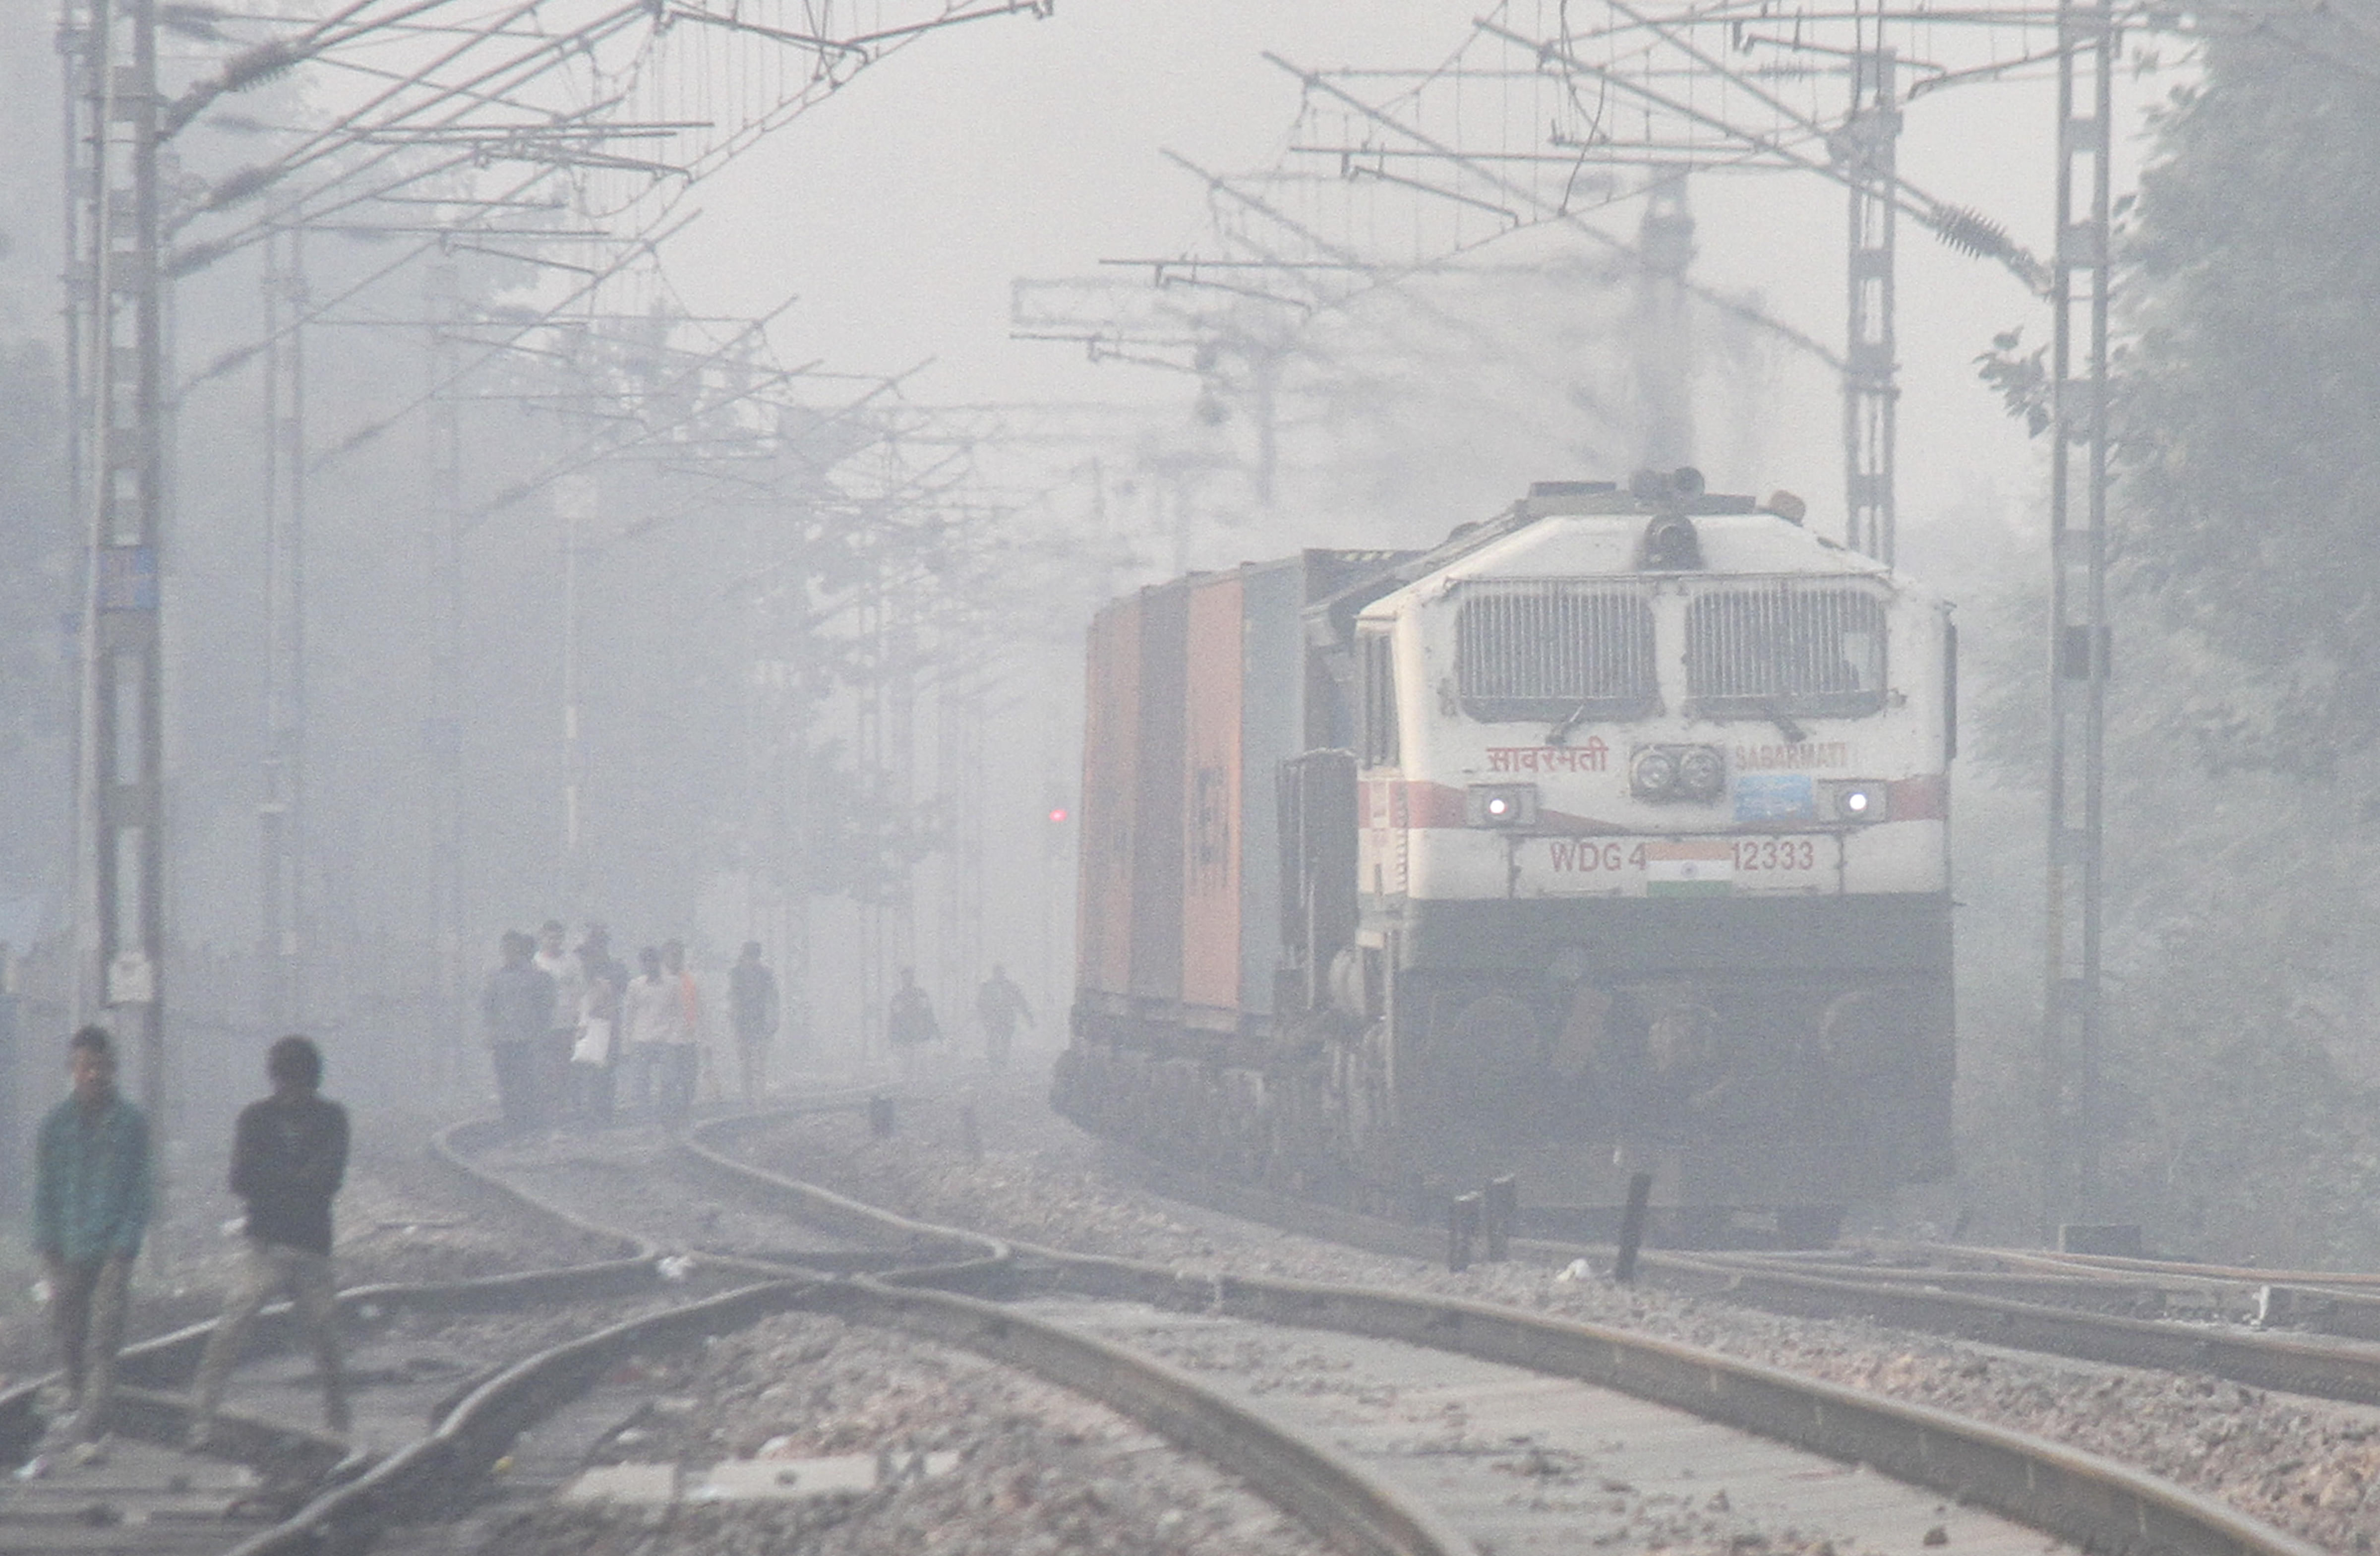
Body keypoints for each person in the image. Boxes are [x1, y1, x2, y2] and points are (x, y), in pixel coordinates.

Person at [188, 1035, 350, 1446]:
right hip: (271, 1243)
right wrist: (298, 1182)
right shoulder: (258, 1119)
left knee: (324, 1334)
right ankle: (201, 1417)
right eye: (286, 1079)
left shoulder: (329, 1119)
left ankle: (338, 1417)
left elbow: (326, 1180)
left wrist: (274, 1180)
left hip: (304, 1245)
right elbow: (241, 1178)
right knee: (236, 1324)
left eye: (298, 1080)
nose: (291, 1089)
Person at [33, 1025, 151, 1447]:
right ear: (73, 1070)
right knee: (68, 1331)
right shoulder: (54, 1126)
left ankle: (92, 1423)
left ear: (114, 1069)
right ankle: (80, 1397)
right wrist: (46, 1247)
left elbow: (140, 1191)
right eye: (86, 1067)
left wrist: (127, 1243)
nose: (95, 1075)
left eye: (102, 1067)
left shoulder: (132, 1124)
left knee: (104, 1336)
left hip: (113, 1249)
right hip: (66, 1248)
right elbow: (44, 1192)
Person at [480, 931, 555, 1132]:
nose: (509, 952)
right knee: (506, 1083)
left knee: (528, 1083)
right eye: (506, 948)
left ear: (521, 950)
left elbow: (546, 1007)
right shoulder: (495, 976)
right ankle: (511, 1124)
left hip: (527, 1039)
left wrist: (542, 1034)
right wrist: (489, 1032)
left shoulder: (536, 976)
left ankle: (530, 1124)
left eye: (513, 948)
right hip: (503, 1039)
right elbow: (488, 1006)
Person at [620, 946, 680, 1117]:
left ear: (659, 962)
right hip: (641, 1039)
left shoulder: (673, 984)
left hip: (666, 1039)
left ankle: (666, 1115)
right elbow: (629, 1016)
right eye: (646, 962)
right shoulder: (635, 985)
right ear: (641, 964)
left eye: (653, 962)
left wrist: (675, 1036)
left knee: (669, 1081)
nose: (650, 966)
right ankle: (645, 1117)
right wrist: (626, 1046)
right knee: (641, 1083)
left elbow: (678, 1012)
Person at [569, 935, 622, 1129]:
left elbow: (612, 1012)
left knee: (601, 1077)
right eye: (582, 958)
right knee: (577, 1079)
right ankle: (581, 1115)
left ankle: (601, 1116)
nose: (585, 962)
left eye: (588, 958)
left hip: (600, 1036)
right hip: (576, 1036)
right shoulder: (573, 985)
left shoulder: (604, 985)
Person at [535, 921, 583, 1131]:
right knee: (544, 1071)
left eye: (557, 938)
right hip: (542, 1026)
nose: (554, 942)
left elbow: (581, 993)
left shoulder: (572, 963)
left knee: (563, 1070)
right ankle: (546, 1114)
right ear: (542, 938)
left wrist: (580, 1020)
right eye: (550, 937)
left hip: (566, 1024)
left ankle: (560, 1114)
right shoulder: (535, 962)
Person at [729, 942, 780, 1104]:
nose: (752, 961)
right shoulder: (735, 974)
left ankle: (759, 1097)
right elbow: (730, 997)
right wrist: (732, 1014)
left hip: (761, 1022)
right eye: (749, 957)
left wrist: (773, 1020)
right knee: (745, 1062)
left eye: (754, 957)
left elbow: (773, 998)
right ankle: (747, 1097)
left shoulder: (766, 975)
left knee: (759, 1062)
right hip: (741, 1023)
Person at [661, 939, 704, 1117]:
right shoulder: (658, 980)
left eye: (678, 955)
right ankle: (669, 1115)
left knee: (688, 1080)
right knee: (669, 1080)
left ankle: (683, 1111)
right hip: (666, 1038)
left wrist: (705, 1038)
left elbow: (701, 1009)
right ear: (665, 957)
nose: (675, 959)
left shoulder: (691, 980)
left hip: (689, 1037)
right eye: (672, 955)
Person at [973, 964, 1034, 1073]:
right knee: (995, 1040)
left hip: (1003, 1020)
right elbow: (980, 1004)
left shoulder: (1008, 987)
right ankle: (996, 1062)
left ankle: (1000, 1063)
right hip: (996, 1020)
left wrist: (1029, 1018)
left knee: (1002, 1041)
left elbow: (1021, 1003)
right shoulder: (991, 987)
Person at [886, 966, 939, 1080]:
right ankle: (911, 1084)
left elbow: (928, 1013)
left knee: (921, 1062)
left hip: (919, 1035)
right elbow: (894, 1019)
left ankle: (920, 1083)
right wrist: (892, 1035)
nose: (907, 980)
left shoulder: (920, 995)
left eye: (909, 977)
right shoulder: (899, 998)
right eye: (905, 977)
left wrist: (933, 1029)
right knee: (908, 1063)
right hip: (907, 1036)